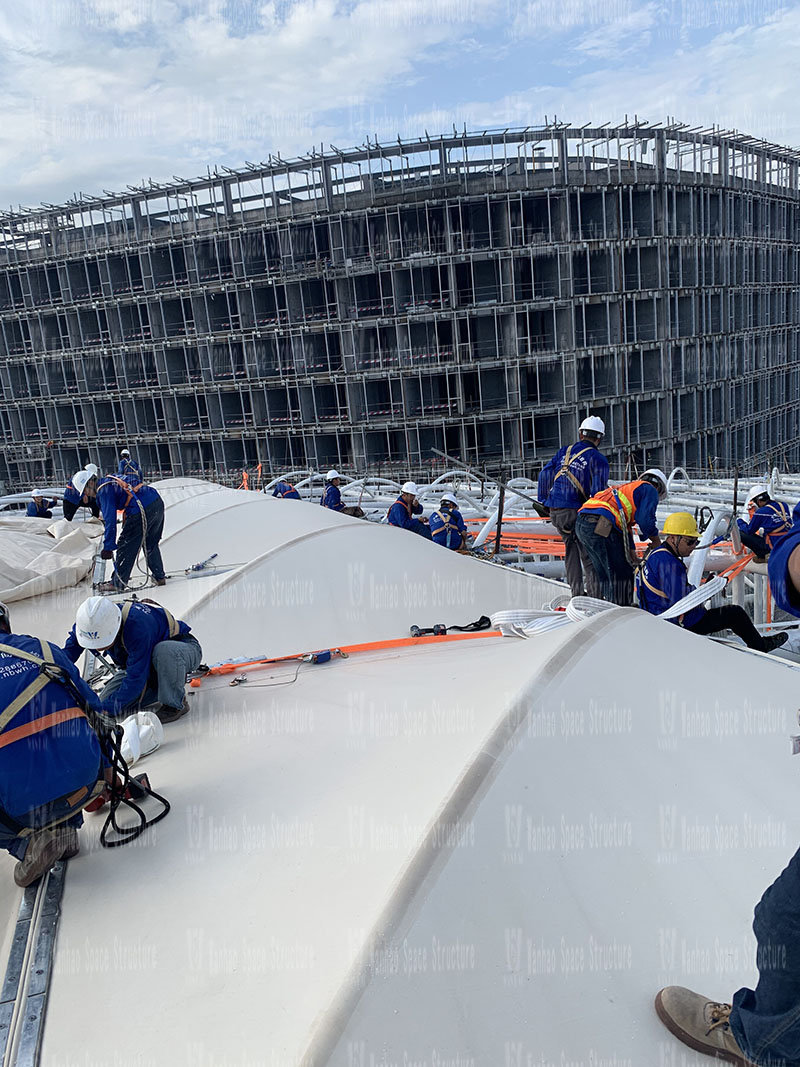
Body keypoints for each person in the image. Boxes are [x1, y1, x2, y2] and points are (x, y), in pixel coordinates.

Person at [655, 506, 800, 1065]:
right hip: (678, 626)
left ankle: (766, 1042)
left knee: (785, 919)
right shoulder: (671, 557)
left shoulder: (665, 553)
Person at [0, 600, 107, 886]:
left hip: (23, 805)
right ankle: (67, 829)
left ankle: (25, 846)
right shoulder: (44, 649)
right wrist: (109, 771)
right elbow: (95, 711)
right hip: (85, 783)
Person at [635, 512, 787, 652]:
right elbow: (683, 601)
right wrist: (709, 589)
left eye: (696, 541)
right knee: (735, 613)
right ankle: (760, 647)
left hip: (659, 617)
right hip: (678, 623)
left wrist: (705, 588)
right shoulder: (667, 563)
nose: (694, 547)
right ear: (674, 538)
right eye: (690, 542)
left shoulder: (657, 555)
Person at [64, 596, 202, 724]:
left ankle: (174, 703)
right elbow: (66, 656)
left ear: (116, 628)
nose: (99, 648)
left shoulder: (137, 626)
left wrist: (108, 708)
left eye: (102, 643)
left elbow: (135, 679)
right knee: (103, 704)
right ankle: (161, 687)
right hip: (140, 665)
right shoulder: (87, 625)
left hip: (180, 651)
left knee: (164, 651)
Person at [537, 415, 609, 597]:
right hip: (576, 512)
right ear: (599, 438)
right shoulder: (598, 459)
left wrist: (544, 501)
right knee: (590, 555)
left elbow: (544, 475)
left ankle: (576, 594)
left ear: (580, 434)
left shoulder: (564, 452)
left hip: (556, 511)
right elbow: (597, 493)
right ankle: (595, 598)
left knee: (570, 550)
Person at [575, 468, 667, 605]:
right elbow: (645, 520)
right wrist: (656, 541)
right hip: (601, 523)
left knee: (605, 573)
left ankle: (611, 607)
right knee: (621, 572)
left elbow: (625, 527)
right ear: (659, 487)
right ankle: (622, 610)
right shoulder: (650, 489)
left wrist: (631, 552)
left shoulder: (626, 489)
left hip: (583, 524)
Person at [72, 469, 166, 592]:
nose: (87, 495)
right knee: (150, 543)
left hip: (140, 508)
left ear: (90, 483)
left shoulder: (103, 491)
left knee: (125, 545)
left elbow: (110, 520)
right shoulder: (110, 480)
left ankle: (117, 583)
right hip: (156, 501)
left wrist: (108, 547)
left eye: (85, 491)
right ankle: (159, 577)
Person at [736, 484, 792, 561]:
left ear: (758, 501)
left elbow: (749, 530)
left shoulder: (761, 512)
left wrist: (739, 522)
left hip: (773, 546)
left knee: (740, 533)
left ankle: (763, 555)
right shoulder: (783, 505)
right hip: (787, 543)